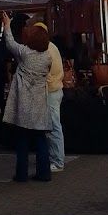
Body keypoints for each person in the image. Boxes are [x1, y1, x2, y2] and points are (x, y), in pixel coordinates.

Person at [1, 13, 53, 182]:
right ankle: (44, 173)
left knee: (22, 140)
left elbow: (10, 43)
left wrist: (7, 25)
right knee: (40, 140)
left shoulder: (25, 53)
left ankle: (21, 174)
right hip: (40, 105)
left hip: (24, 104)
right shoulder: (47, 58)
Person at [46, 33, 65, 172]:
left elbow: (45, 73)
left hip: (51, 91)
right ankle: (55, 158)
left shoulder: (46, 50)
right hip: (57, 88)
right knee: (54, 126)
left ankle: (57, 161)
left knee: (53, 126)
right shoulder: (53, 47)